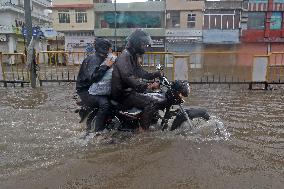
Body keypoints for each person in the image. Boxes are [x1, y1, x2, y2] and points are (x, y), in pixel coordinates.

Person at [111, 29, 161, 131]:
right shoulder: (125, 56)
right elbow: (127, 77)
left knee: (153, 94)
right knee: (151, 102)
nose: (144, 47)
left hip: (128, 90)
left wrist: (155, 74)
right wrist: (146, 86)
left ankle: (149, 120)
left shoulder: (132, 56)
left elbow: (140, 72)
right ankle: (142, 131)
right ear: (136, 44)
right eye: (143, 45)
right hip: (123, 94)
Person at [76, 38, 114, 133]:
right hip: (86, 91)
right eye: (110, 48)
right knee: (104, 104)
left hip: (96, 88)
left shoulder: (104, 59)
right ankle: (98, 132)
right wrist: (106, 66)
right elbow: (93, 77)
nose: (111, 50)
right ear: (104, 48)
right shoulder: (93, 59)